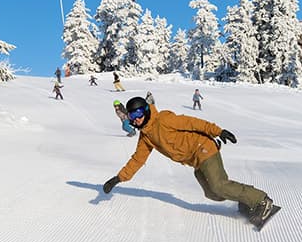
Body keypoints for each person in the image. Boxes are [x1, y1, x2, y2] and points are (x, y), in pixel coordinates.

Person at [101, 96, 275, 226]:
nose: (135, 119)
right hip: (195, 160)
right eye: (131, 116)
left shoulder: (164, 120)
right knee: (213, 194)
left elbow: (192, 122)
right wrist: (118, 179)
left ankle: (261, 200)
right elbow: (137, 160)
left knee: (219, 185)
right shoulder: (146, 136)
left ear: (145, 111)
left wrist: (218, 131)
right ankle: (246, 198)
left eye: (138, 113)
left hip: (204, 147)